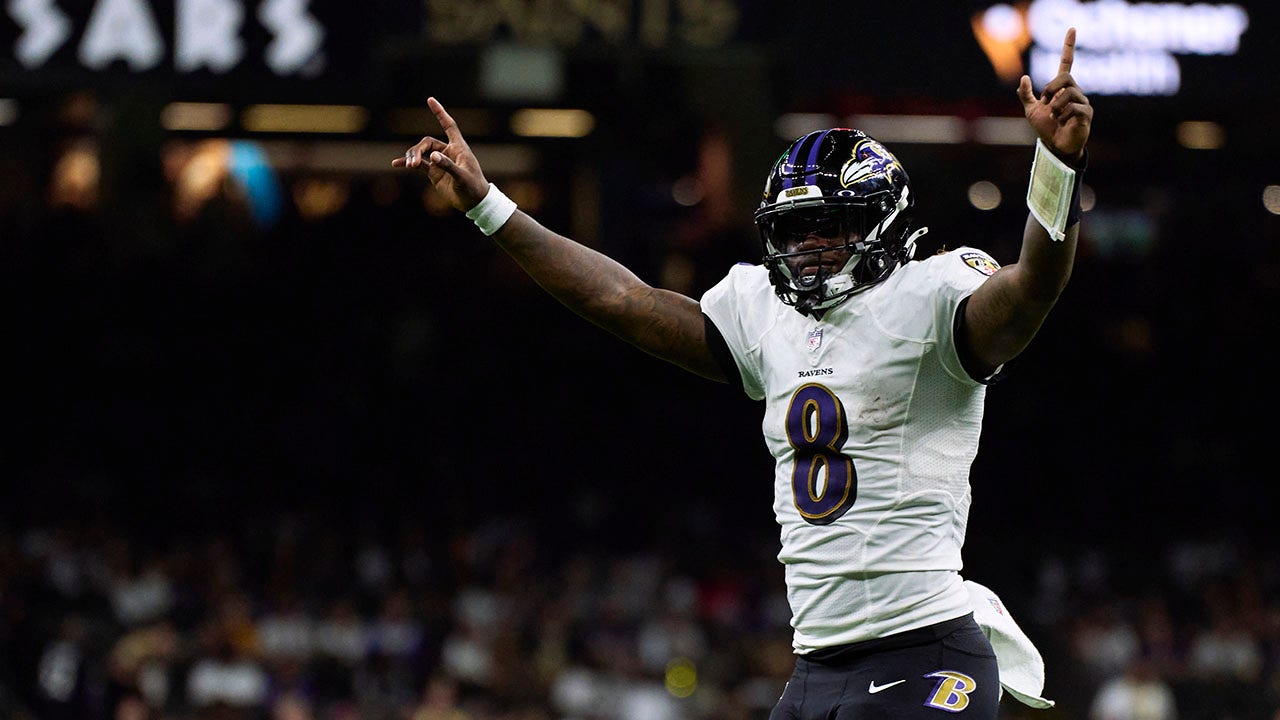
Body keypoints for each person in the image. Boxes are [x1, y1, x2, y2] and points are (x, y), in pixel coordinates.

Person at [394, 27, 1092, 720]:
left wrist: (1057, 168)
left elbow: (1031, 288)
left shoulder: (932, 296)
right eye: (795, 231)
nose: (808, 248)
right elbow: (626, 301)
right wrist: (491, 208)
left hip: (923, 649)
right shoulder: (765, 310)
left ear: (883, 224)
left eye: (829, 226)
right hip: (817, 664)